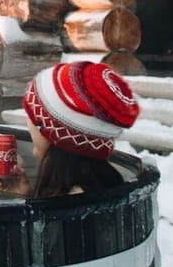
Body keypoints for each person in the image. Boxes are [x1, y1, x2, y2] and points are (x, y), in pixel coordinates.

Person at [22, 61, 140, 198]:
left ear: (51, 132)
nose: (27, 122)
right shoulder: (97, 185)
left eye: (30, 113)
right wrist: (24, 193)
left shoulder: (72, 199)